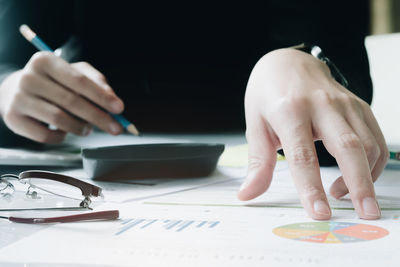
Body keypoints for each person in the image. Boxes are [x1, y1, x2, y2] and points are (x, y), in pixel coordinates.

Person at [0, 0, 388, 220]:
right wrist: (10, 89)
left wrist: (307, 60)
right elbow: (9, 55)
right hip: (96, 141)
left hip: (265, 141)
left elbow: (344, 56)